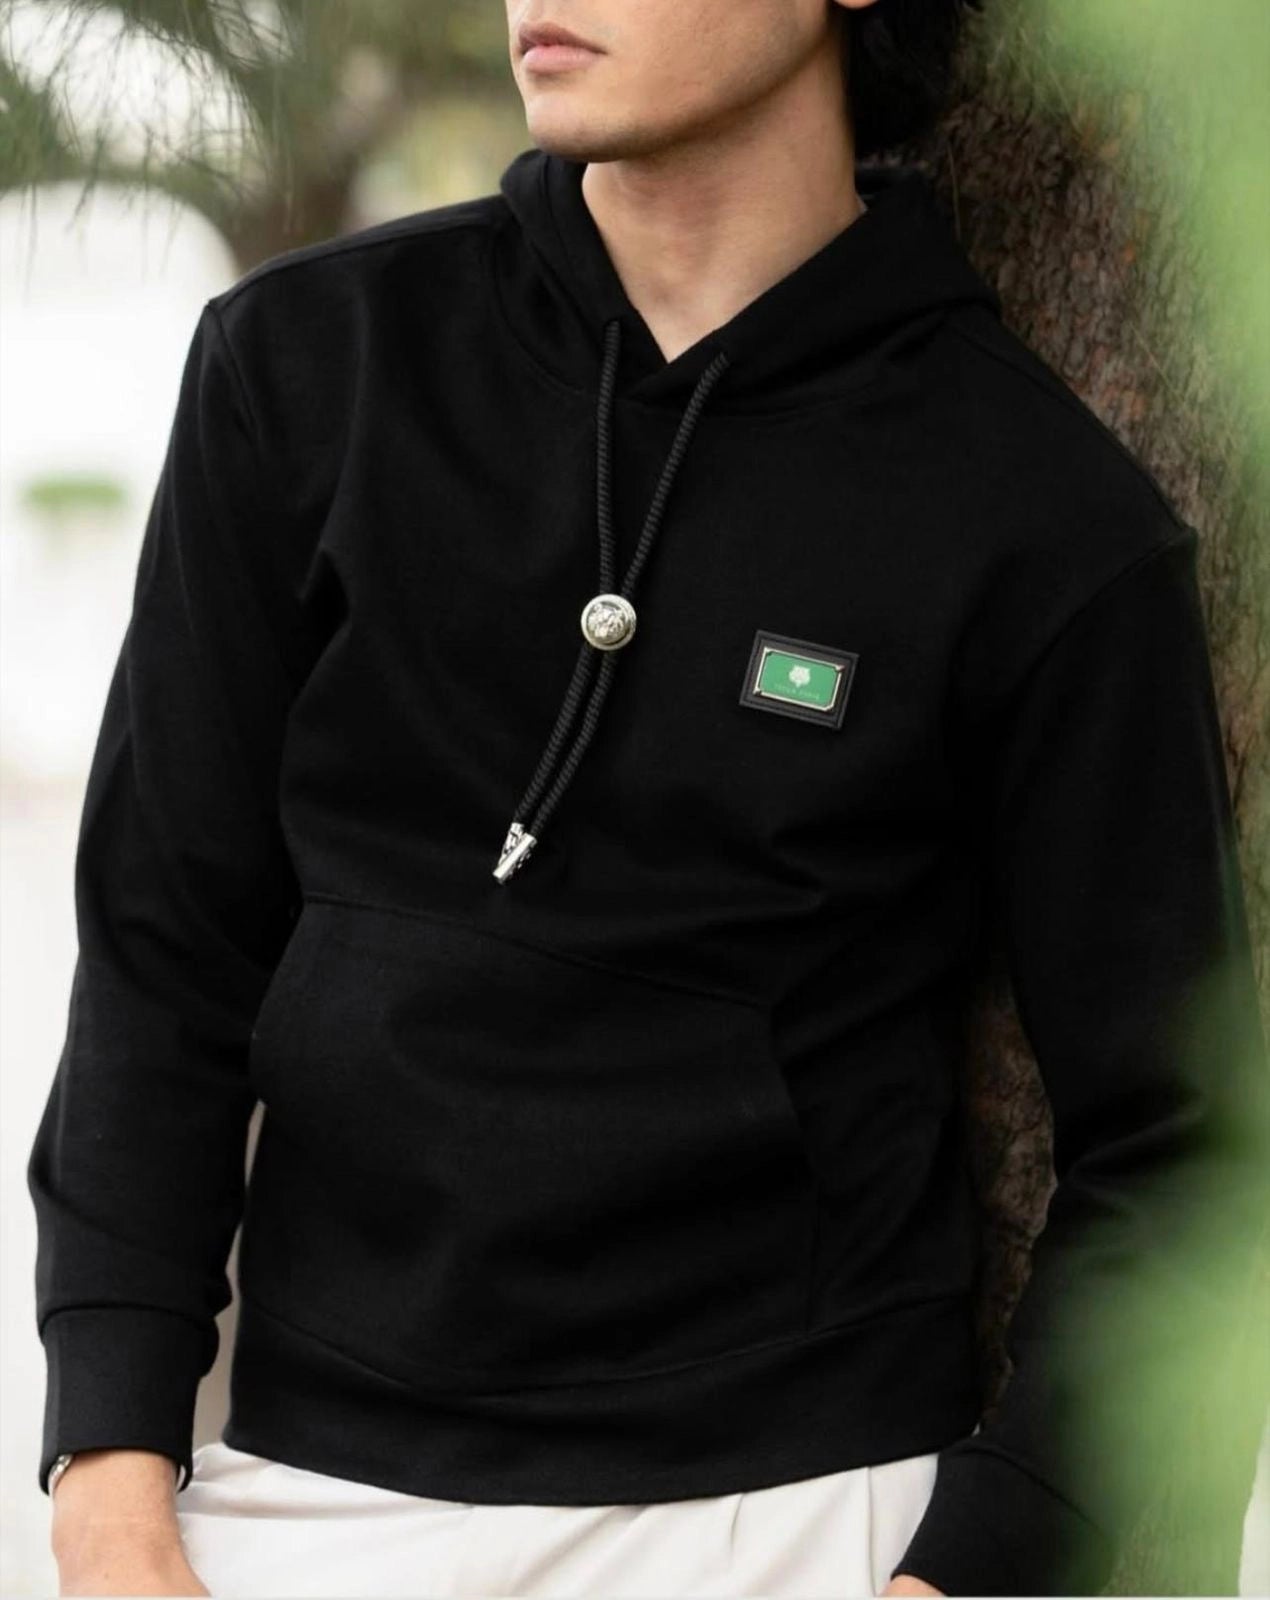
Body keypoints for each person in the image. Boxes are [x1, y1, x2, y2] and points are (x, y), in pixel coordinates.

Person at [29, 0, 1270, 1594]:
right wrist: (109, 1487)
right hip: (293, 1497)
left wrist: (970, 1569)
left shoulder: (1036, 513)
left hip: (797, 1515)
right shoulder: (311, 363)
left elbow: (1179, 1144)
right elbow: (160, 952)